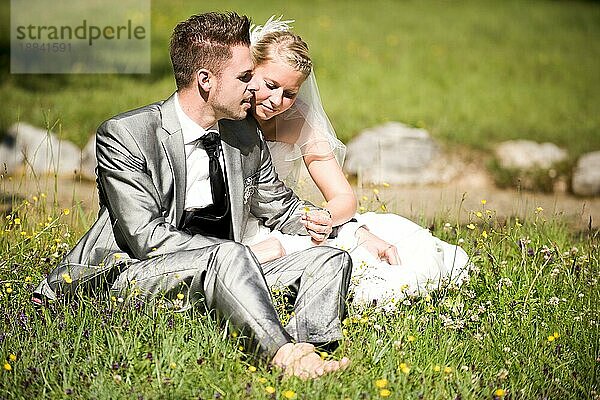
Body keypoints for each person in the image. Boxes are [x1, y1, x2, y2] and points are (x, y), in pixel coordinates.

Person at [32, 12, 351, 379]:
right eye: (245, 77)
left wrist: (320, 220)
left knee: (328, 260)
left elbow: (280, 207)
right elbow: (145, 239)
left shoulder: (243, 136)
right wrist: (233, 255)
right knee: (230, 255)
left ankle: (308, 349)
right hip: (128, 274)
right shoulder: (127, 134)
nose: (254, 89)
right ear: (205, 81)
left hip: (221, 268)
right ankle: (284, 359)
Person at [243, 17, 470, 310]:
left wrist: (326, 217)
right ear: (251, 71)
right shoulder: (231, 114)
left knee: (380, 247)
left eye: (290, 93)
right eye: (270, 85)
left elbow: (343, 197)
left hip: (286, 216)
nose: (277, 100)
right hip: (239, 224)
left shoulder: (298, 119)